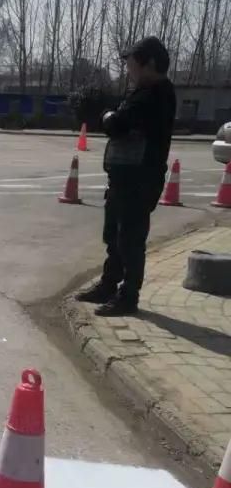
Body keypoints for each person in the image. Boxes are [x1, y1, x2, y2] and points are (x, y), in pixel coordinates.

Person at [76, 36, 177, 317]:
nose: (129, 72)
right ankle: (109, 285)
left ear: (151, 64)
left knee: (131, 240)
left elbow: (118, 124)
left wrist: (108, 115)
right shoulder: (140, 93)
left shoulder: (156, 96)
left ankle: (128, 296)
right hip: (123, 177)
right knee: (114, 235)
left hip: (140, 179)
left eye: (133, 66)